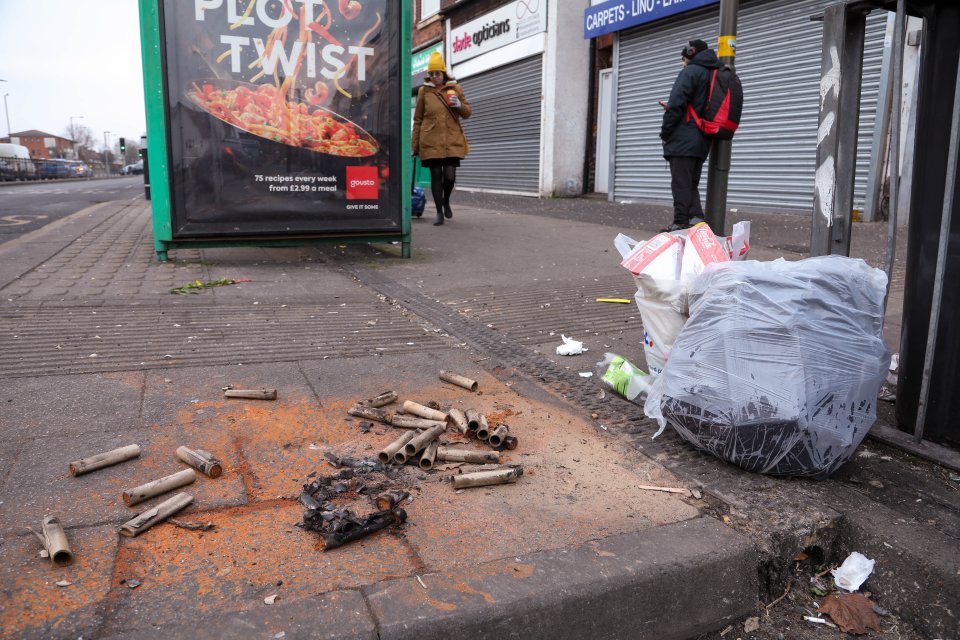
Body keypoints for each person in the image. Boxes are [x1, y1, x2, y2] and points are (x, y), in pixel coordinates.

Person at [659, 39, 720, 232]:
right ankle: (695, 218)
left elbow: (677, 103)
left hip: (684, 137)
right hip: (702, 137)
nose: (682, 62)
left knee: (681, 183)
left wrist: (666, 132)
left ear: (691, 53)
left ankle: (679, 223)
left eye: (684, 58)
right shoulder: (714, 73)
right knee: (691, 182)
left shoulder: (690, 72)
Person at [411, 52, 472, 226]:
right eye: (432, 74)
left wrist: (458, 105)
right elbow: (418, 119)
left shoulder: (456, 89)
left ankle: (446, 201)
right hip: (430, 139)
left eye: (437, 73)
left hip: (452, 138)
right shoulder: (424, 91)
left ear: (444, 73)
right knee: (436, 175)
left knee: (450, 176)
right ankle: (439, 212)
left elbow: (468, 113)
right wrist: (414, 145)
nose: (434, 77)